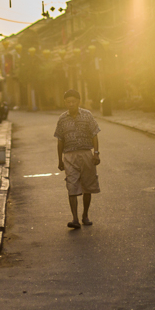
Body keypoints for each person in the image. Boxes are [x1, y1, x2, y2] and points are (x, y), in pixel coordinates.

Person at [54, 89, 101, 229]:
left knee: (87, 186)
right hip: (69, 156)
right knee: (71, 186)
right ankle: (74, 219)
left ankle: (85, 215)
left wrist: (96, 153)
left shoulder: (87, 115)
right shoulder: (62, 119)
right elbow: (60, 140)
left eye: (73, 101)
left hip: (86, 154)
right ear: (65, 103)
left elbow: (94, 134)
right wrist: (60, 160)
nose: (71, 104)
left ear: (79, 102)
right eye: (68, 102)